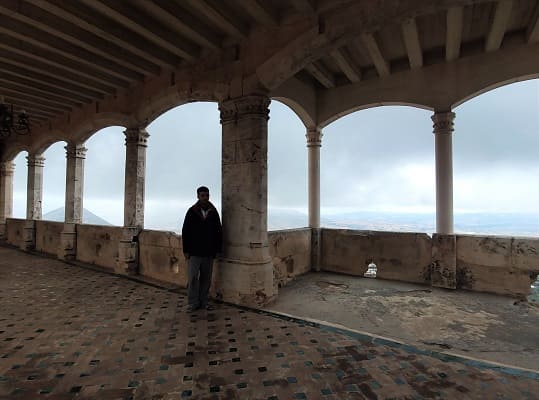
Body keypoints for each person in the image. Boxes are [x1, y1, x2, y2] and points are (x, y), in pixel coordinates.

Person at [182, 186, 222, 312]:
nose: (205, 198)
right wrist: (186, 250)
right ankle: (193, 302)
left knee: (206, 278)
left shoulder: (213, 212)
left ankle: (204, 301)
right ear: (198, 196)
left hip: (208, 252)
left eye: (207, 195)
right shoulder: (192, 211)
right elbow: (186, 231)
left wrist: (217, 249)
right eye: (202, 195)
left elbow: (218, 231)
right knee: (193, 278)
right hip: (194, 252)